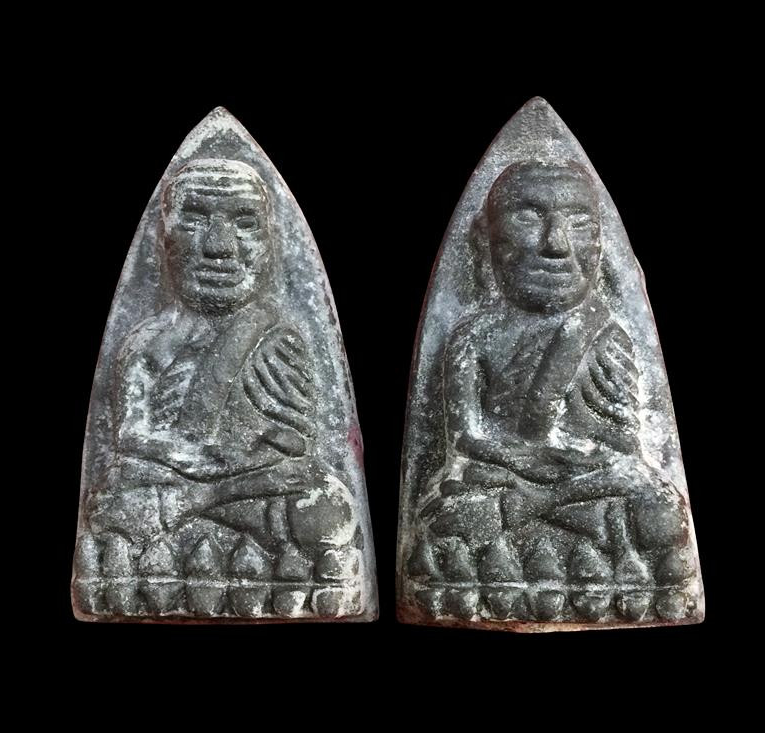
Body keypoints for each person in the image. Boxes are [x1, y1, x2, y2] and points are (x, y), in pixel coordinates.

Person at [408, 162, 694, 621]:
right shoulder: (473, 336)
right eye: (528, 217)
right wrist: (521, 462)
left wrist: (540, 493)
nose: (556, 244)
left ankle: (518, 549)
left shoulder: (604, 335)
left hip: (580, 486)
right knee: (445, 513)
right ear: (486, 239)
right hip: (504, 479)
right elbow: (464, 442)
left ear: (599, 243)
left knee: (660, 511)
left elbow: (623, 453)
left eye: (578, 222)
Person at [76, 159, 358, 616]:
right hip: (171, 479)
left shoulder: (278, 337)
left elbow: (296, 447)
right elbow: (129, 437)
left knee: (325, 506)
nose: (219, 247)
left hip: (247, 489)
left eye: (244, 224)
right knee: (114, 497)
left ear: (270, 244)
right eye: (194, 220)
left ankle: (181, 533)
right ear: (165, 240)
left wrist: (219, 481)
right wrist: (192, 458)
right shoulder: (147, 343)